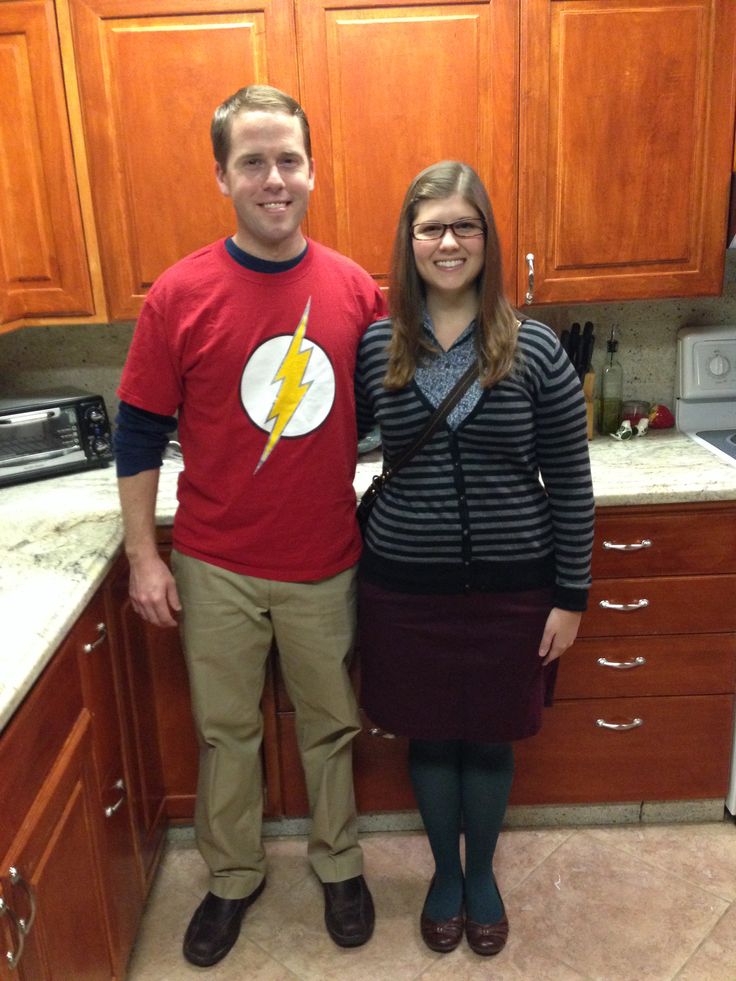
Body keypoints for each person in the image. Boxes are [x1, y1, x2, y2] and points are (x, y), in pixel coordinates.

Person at [114, 84, 386, 969]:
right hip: (215, 561)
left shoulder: (355, 291)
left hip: (325, 557)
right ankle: (232, 876)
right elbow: (139, 427)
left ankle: (339, 862)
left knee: (329, 724)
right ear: (224, 176)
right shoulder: (180, 294)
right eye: (254, 162)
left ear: (313, 169)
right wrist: (145, 555)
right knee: (225, 730)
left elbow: (395, 410)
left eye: (290, 160)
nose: (275, 179)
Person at [355, 161, 594, 957]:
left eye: (465, 225)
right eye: (432, 227)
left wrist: (571, 595)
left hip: (512, 588)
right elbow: (324, 436)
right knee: (428, 735)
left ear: (488, 240)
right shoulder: (378, 343)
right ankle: (442, 876)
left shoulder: (532, 348)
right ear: (409, 241)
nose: (448, 241)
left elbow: (569, 477)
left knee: (489, 736)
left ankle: (481, 870)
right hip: (404, 587)